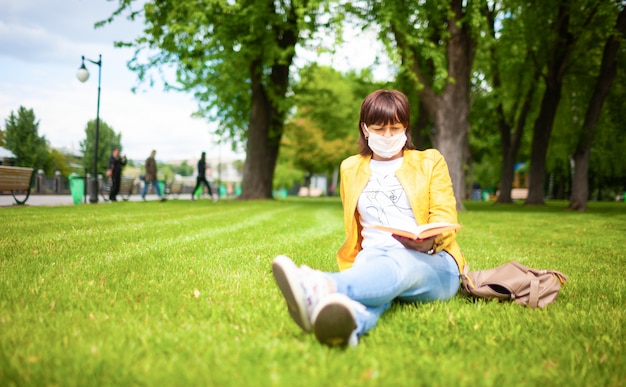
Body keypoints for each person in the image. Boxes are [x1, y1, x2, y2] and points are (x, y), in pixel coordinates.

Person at [271, 90, 466, 347]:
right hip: (374, 258)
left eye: (395, 128)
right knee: (378, 277)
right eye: (379, 128)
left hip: (434, 262)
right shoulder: (350, 168)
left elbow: (444, 214)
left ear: (406, 127)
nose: (388, 136)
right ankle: (351, 324)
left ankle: (319, 286)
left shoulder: (429, 162)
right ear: (365, 129)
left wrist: (430, 241)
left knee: (398, 261)